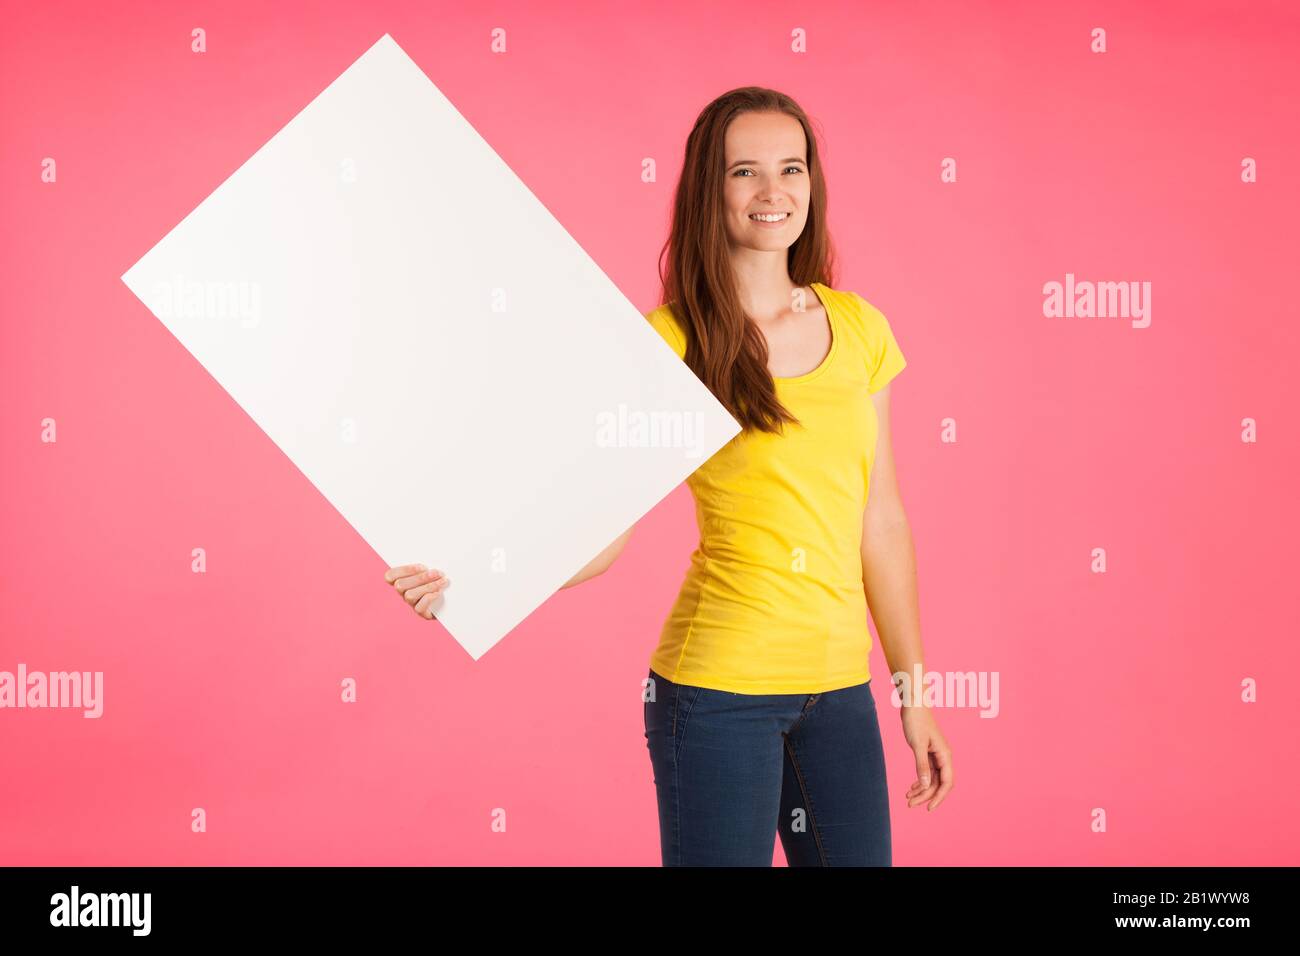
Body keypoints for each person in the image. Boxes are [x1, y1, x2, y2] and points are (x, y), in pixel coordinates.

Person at [384, 86, 953, 867]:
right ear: (710, 190)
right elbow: (604, 532)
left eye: (790, 168)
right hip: (716, 695)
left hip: (838, 695)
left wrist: (913, 697)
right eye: (744, 171)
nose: (772, 190)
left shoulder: (861, 329)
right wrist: (474, 580)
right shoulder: (674, 342)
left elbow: (879, 520)